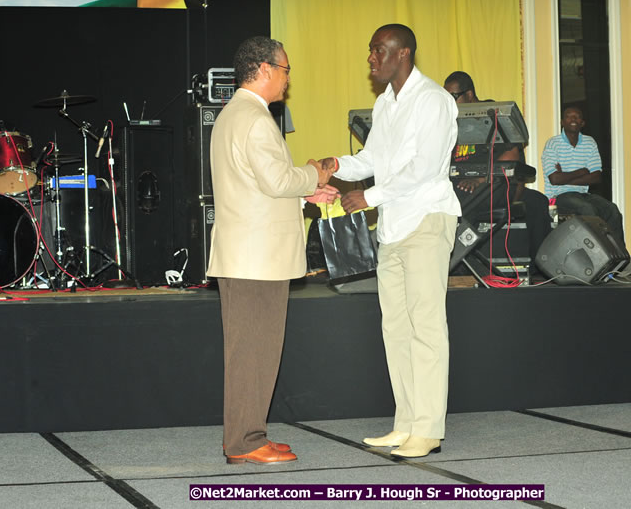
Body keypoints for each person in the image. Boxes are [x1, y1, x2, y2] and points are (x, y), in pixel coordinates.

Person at [320, 24, 460, 458]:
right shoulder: (385, 104)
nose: (371, 58)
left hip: (426, 218)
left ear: (404, 54)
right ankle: (406, 423)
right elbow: (372, 159)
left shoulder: (434, 100)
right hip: (395, 226)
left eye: (379, 50)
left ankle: (429, 428)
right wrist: (335, 163)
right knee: (396, 326)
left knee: (426, 326)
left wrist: (369, 196)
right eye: (371, 50)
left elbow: (423, 169)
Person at [207, 35, 334, 465]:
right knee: (252, 352)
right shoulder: (254, 117)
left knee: (254, 351)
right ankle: (244, 441)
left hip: (250, 253)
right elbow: (278, 180)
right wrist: (314, 174)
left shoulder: (236, 114)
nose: (287, 79)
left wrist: (304, 198)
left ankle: (248, 434)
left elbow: (257, 187)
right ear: (263, 69)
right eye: (285, 70)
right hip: (255, 259)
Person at [443, 71, 552, 272]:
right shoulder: (450, 123)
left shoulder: (493, 113)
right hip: (463, 186)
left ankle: (456, 266)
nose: (449, 102)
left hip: (493, 185)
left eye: (453, 97)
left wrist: (482, 179)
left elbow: (511, 154)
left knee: (536, 202)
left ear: (469, 94)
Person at [541, 106, 626, 249]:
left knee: (612, 210)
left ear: (583, 123)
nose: (573, 119)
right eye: (569, 116)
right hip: (558, 196)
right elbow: (554, 180)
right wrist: (582, 172)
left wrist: (565, 177)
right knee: (587, 209)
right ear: (562, 122)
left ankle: (620, 255)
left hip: (583, 194)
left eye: (577, 116)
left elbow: (596, 177)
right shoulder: (553, 143)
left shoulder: (589, 142)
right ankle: (599, 254)